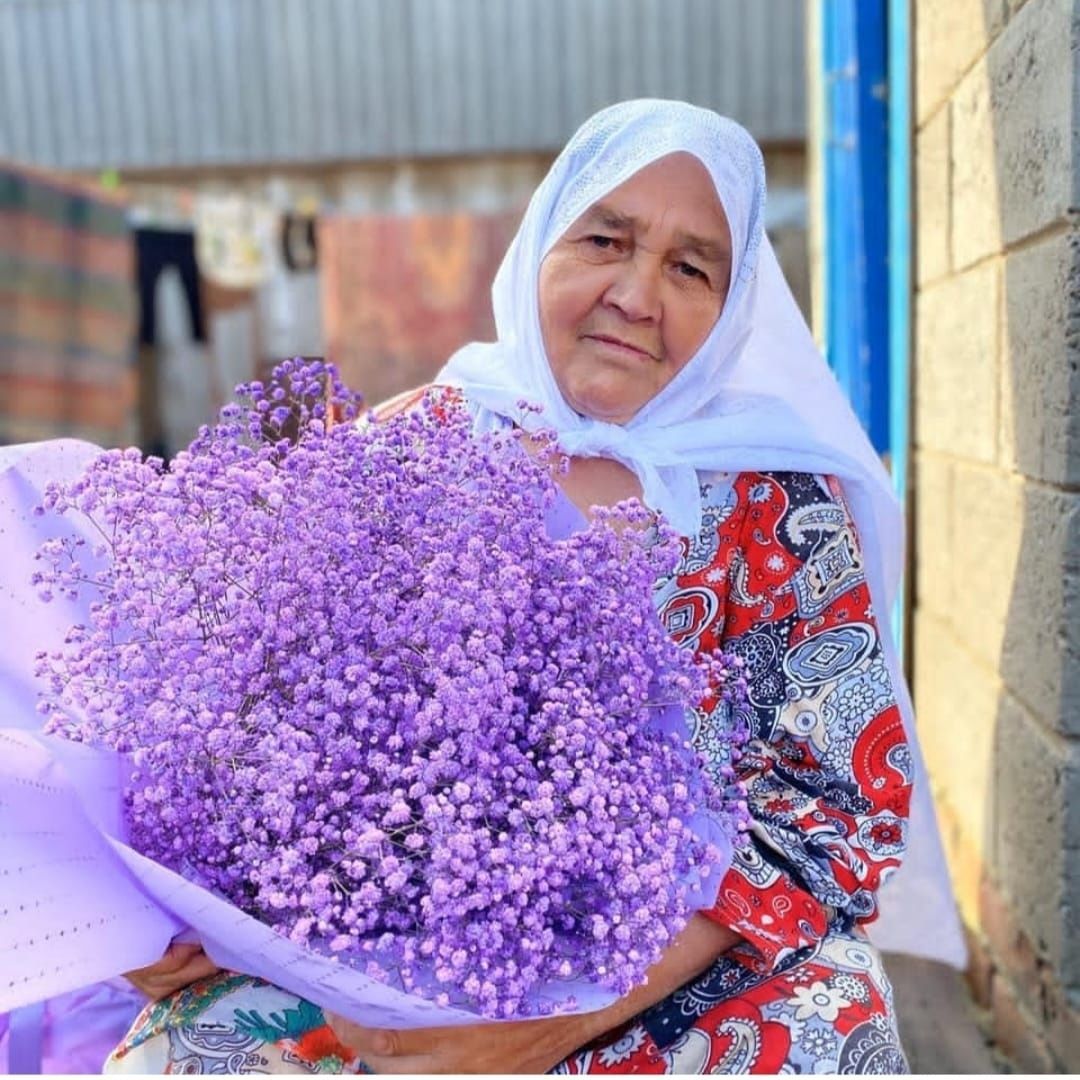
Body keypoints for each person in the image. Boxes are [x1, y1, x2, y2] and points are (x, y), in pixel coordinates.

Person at [107, 99, 964, 1074]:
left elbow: (829, 798)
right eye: (607, 239)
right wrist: (179, 907)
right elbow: (237, 713)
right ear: (539, 248)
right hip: (361, 941)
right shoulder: (403, 447)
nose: (637, 295)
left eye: (691, 268)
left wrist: (556, 1022)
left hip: (662, 962)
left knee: (831, 1027)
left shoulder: (771, 502)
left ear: (733, 309)